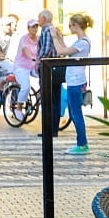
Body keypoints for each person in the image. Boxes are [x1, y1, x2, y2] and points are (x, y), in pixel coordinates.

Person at [53, 13, 93, 155]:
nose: (69, 27)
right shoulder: (79, 42)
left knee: (76, 114)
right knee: (74, 112)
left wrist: (53, 37)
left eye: (70, 25)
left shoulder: (83, 42)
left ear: (76, 25)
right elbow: (66, 52)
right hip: (74, 81)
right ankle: (81, 143)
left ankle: (82, 144)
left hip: (76, 81)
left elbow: (60, 51)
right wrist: (59, 37)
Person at [36, 9, 63, 137]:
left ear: (44, 18)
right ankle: (54, 129)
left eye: (39, 18)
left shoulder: (46, 30)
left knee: (48, 99)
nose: (38, 20)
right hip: (56, 67)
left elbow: (45, 50)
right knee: (56, 99)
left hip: (47, 67)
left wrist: (37, 61)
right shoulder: (55, 29)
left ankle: (49, 130)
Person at [11, 19, 40, 120]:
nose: (35, 28)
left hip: (33, 66)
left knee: (46, 78)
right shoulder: (24, 39)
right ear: (28, 28)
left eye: (36, 26)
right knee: (26, 87)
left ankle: (41, 95)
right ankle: (18, 108)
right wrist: (34, 58)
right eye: (33, 27)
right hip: (21, 66)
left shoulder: (39, 38)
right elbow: (26, 50)